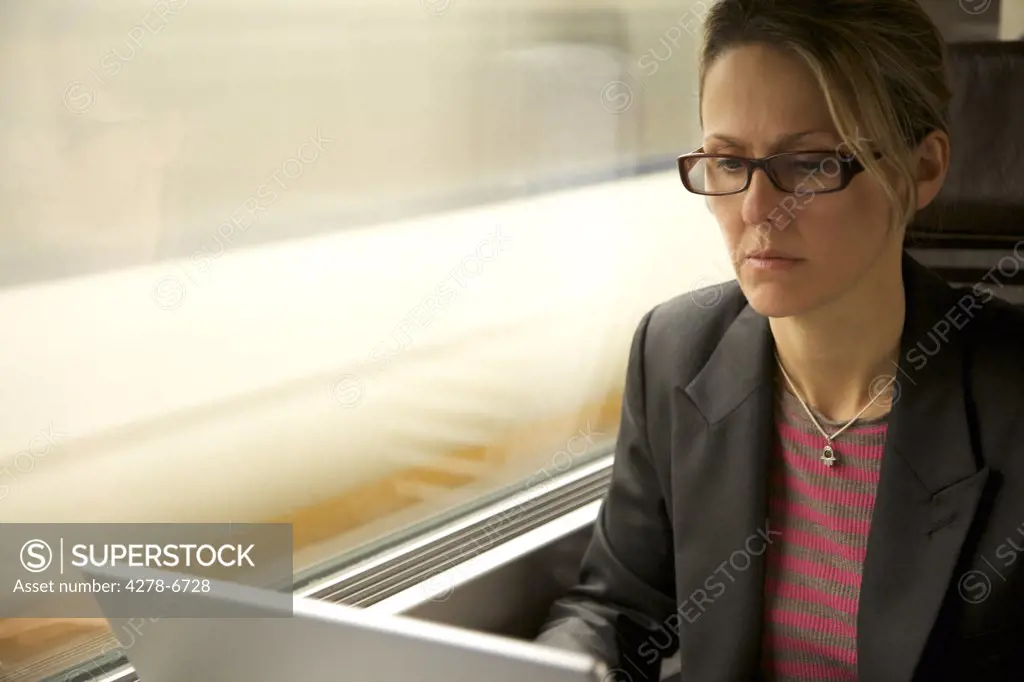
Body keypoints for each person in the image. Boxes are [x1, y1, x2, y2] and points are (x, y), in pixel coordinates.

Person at [535, 1, 1024, 680]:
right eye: (727, 163)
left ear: (922, 170)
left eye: (812, 164)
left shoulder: (1010, 403)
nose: (760, 210)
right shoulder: (676, 353)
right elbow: (617, 607)